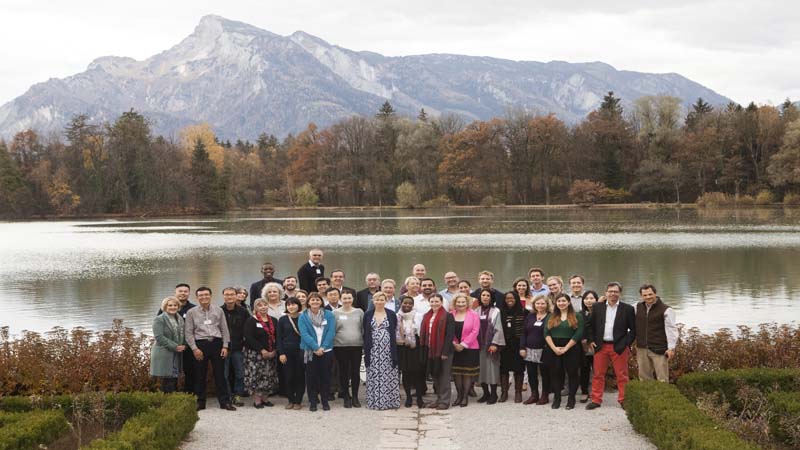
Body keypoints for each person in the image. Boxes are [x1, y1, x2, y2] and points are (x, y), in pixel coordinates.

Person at [586, 282, 636, 410]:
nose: (613, 293)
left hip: (619, 347)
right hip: (601, 346)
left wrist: (626, 344)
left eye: (615, 291)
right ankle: (596, 400)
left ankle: (624, 400)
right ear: (606, 292)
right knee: (598, 374)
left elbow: (633, 330)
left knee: (622, 375)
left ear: (620, 293)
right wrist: (591, 340)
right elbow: (590, 325)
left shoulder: (627, 309)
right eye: (610, 291)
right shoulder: (598, 307)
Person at [184, 287, 235, 411]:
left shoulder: (218, 310)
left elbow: (224, 329)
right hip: (200, 345)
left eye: (206, 295)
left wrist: (225, 346)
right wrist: (194, 349)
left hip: (216, 344)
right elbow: (188, 332)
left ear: (211, 296)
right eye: (201, 295)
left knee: (220, 375)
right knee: (199, 375)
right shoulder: (192, 312)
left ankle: (224, 402)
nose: (204, 297)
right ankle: (200, 402)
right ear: (197, 297)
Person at [543, 293, 584, 410]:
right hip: (554, 347)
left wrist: (566, 348)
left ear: (569, 302)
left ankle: (571, 399)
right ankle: (557, 399)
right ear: (556, 303)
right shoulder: (550, 316)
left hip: (571, 347)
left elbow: (579, 333)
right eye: (559, 301)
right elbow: (546, 333)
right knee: (555, 374)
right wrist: (554, 348)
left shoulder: (577, 316)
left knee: (572, 373)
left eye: (564, 301)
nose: (561, 303)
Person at [298, 292, 336, 412]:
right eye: (312, 300)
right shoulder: (303, 316)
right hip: (309, 351)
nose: (315, 302)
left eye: (317, 300)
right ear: (308, 302)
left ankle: (325, 401)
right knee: (311, 377)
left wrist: (323, 347)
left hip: (326, 350)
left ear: (321, 302)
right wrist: (315, 347)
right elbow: (304, 334)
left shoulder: (329, 315)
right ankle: (313, 402)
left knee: (325, 377)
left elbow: (331, 332)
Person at [363, 292, 401, 410]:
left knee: (389, 373)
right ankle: (375, 401)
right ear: (373, 301)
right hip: (373, 349)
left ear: (385, 301)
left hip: (388, 349)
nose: (379, 301)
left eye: (382, 299)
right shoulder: (368, 315)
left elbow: (394, 329)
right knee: (374, 372)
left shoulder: (391, 314)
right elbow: (365, 330)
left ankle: (390, 402)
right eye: (377, 299)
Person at [634, 284, 677, 383]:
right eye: (645, 295)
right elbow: (621, 309)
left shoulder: (666, 310)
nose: (648, 297)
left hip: (659, 348)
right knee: (644, 379)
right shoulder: (637, 307)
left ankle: (663, 398)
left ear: (655, 293)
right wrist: (603, 302)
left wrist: (671, 348)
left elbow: (671, 330)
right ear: (641, 296)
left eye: (650, 294)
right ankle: (647, 398)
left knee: (662, 379)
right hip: (642, 348)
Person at [159, 283, 196, 394]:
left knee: (190, 372)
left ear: (189, 293)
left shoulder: (193, 309)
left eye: (185, 291)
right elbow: (160, 330)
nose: (183, 293)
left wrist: (188, 344)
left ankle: (189, 395)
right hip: (171, 347)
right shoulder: (166, 308)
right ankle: (170, 397)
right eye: (180, 291)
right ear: (175, 292)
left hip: (187, 346)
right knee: (170, 373)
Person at [420, 294, 454, 410]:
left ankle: (444, 402)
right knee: (435, 375)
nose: (434, 303)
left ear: (441, 302)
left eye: (437, 301)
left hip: (444, 351)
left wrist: (444, 352)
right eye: (432, 301)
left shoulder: (447, 316)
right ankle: (439, 399)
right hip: (430, 350)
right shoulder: (427, 316)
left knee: (444, 377)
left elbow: (450, 336)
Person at [243, 299, 279, 408]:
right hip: (255, 354)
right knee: (256, 376)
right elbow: (249, 338)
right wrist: (262, 350)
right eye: (260, 305)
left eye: (265, 305)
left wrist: (274, 350)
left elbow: (278, 336)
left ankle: (265, 398)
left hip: (271, 353)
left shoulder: (274, 320)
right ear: (255, 308)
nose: (263, 307)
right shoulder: (251, 321)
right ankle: (257, 400)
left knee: (269, 376)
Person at [333, 291, 365, 408]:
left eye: (349, 298)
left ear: (353, 299)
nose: (347, 300)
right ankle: (346, 396)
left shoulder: (359, 312)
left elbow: (363, 328)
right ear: (341, 299)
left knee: (355, 372)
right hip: (340, 346)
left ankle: (355, 397)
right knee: (343, 372)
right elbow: (333, 329)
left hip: (356, 345)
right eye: (344, 298)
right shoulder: (335, 313)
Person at [475, 288, 505, 404]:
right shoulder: (476, 310)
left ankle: (493, 394)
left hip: (490, 345)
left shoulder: (496, 311)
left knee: (492, 369)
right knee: (481, 369)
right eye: (483, 295)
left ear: (491, 298)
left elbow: (498, 328)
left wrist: (494, 343)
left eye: (488, 295)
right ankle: (485, 393)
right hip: (478, 345)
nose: (485, 297)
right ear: (480, 297)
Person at [520, 295, 551, 405]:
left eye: (543, 303)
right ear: (534, 304)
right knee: (531, 373)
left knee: (545, 374)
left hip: (544, 349)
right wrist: (522, 347)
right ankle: (534, 394)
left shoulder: (550, 316)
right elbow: (524, 332)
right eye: (538, 303)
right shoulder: (530, 316)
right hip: (529, 349)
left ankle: (545, 395)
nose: (540, 305)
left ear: (547, 304)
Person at [151, 296, 186, 393]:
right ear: (165, 307)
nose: (173, 307)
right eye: (170, 305)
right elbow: (159, 337)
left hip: (177, 352)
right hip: (164, 353)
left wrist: (184, 345)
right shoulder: (159, 319)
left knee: (174, 377)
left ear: (178, 307)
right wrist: (175, 346)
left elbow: (182, 334)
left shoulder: (179, 318)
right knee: (166, 380)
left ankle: (173, 401)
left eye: (175, 305)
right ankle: (167, 402)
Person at [450, 293, 479, 407]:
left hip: (470, 347)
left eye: (463, 302)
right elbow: (448, 331)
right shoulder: (451, 314)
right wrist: (454, 343)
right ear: (455, 303)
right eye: (458, 302)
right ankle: (459, 396)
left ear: (467, 303)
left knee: (467, 373)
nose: (461, 304)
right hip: (454, 347)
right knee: (457, 373)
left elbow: (475, 331)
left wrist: (463, 344)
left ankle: (465, 397)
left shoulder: (473, 315)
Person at [221, 287, 249, 407]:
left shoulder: (243, 311)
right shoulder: (219, 311)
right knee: (225, 373)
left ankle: (238, 394)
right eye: (227, 295)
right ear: (223, 296)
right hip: (223, 347)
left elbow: (248, 329)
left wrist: (245, 344)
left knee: (240, 373)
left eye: (232, 294)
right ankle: (227, 395)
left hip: (238, 347)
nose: (229, 297)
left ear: (236, 296)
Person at [396, 296, 425, 408]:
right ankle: (408, 397)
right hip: (402, 346)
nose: (407, 305)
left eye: (409, 303)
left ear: (413, 305)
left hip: (415, 346)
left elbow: (421, 331)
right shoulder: (397, 316)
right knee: (406, 372)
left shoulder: (418, 316)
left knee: (417, 372)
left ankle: (419, 397)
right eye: (405, 303)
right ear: (401, 303)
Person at [499, 291, 527, 403]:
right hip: (504, 344)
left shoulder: (525, 312)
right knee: (503, 369)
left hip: (519, 344)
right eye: (507, 298)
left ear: (516, 299)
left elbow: (526, 330)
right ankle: (504, 392)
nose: (509, 300)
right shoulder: (501, 312)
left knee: (519, 368)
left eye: (512, 298)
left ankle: (518, 392)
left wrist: (524, 346)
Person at [277, 297, 305, 410]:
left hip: (302, 351)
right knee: (288, 377)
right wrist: (281, 353)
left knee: (300, 376)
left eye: (293, 304)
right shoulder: (282, 320)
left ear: (298, 305)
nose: (291, 306)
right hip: (287, 352)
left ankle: (298, 400)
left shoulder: (304, 318)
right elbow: (278, 338)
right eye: (288, 305)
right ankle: (290, 400)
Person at [579, 290, 598, 403]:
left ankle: (595, 392)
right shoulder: (580, 314)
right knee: (584, 370)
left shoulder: (601, 313)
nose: (589, 301)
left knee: (597, 370)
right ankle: (584, 391)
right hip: (584, 347)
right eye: (586, 299)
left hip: (597, 345)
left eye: (591, 298)